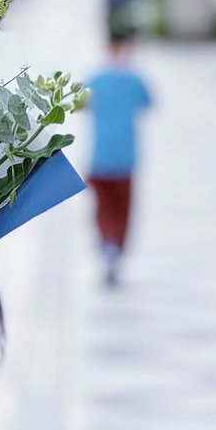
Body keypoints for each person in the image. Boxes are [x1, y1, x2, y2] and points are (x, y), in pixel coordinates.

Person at [84, 28, 152, 286]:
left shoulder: (96, 79)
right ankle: (116, 247)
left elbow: (81, 104)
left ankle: (106, 242)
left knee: (102, 207)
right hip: (125, 157)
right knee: (122, 210)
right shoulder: (134, 80)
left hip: (99, 156)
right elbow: (148, 104)